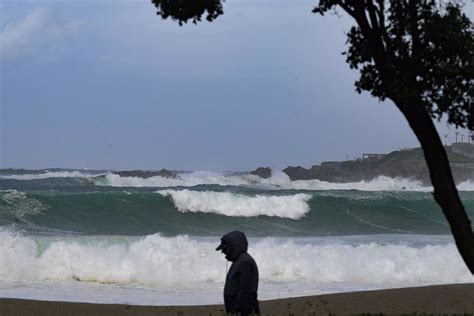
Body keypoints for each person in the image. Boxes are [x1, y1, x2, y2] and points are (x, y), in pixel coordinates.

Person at [216, 231, 260, 316]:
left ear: (234, 246)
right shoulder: (239, 261)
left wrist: (235, 311)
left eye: (225, 248)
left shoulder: (244, 263)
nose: (223, 252)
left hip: (243, 311)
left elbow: (245, 292)